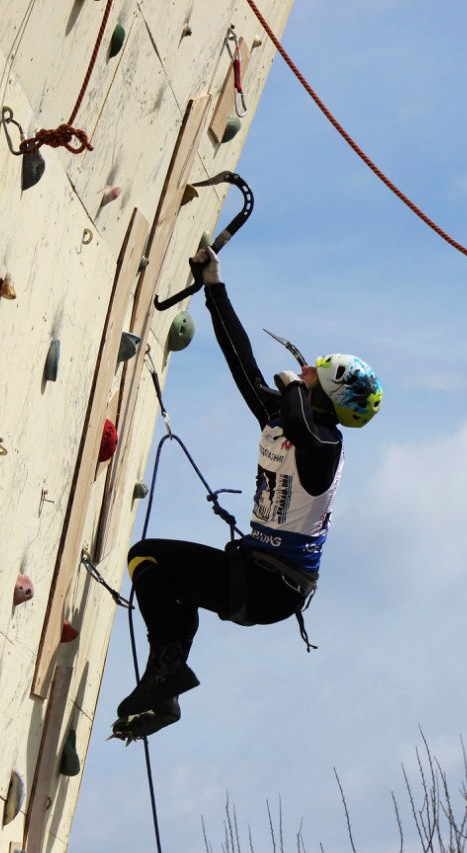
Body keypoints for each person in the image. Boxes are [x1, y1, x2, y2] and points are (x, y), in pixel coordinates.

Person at [112, 246, 383, 740]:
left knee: (147, 558)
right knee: (155, 568)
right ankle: (166, 684)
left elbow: (303, 425)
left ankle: (167, 674)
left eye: (310, 375)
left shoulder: (326, 445)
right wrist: (215, 287)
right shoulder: (286, 415)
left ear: (322, 393)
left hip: (274, 587)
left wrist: (296, 393)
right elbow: (241, 360)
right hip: (256, 574)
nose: (301, 375)